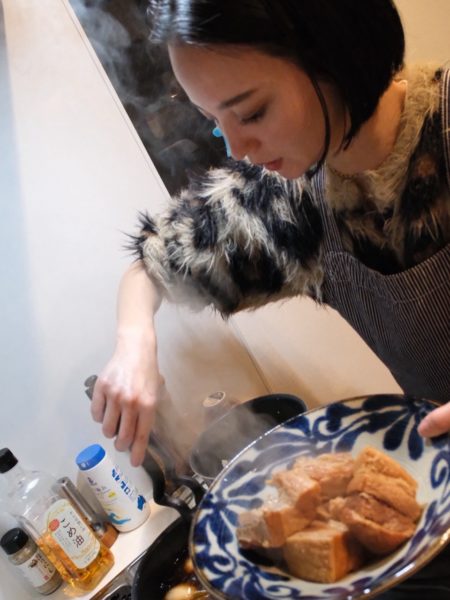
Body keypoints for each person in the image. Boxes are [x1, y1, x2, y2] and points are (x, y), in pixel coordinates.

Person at [91, 2, 450, 593]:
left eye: (252, 112)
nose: (236, 147)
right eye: (215, 123)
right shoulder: (295, 201)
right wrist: (134, 346)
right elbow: (151, 265)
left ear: (334, 52)